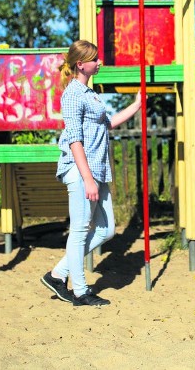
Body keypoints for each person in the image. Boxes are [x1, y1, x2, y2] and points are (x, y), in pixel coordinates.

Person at [41, 40, 143, 306]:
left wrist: (136, 105)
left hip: (98, 169)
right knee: (79, 231)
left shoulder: (90, 94)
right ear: (81, 64)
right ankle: (80, 292)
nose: (100, 62)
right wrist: (87, 179)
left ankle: (57, 274)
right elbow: (74, 139)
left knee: (106, 230)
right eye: (95, 59)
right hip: (81, 170)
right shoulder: (73, 94)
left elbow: (107, 124)